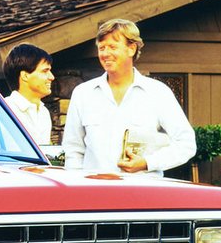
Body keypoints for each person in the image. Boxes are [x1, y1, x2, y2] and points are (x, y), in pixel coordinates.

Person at [61, 18, 195, 175]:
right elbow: (73, 149)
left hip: (143, 194)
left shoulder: (158, 92)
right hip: (95, 194)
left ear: (131, 49)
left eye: (112, 47)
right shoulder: (83, 93)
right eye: (101, 48)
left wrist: (147, 163)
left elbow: (186, 144)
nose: (105, 54)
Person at [2, 44, 55, 146]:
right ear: (25, 76)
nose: (51, 77)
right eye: (45, 71)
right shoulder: (4, 109)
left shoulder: (43, 112)